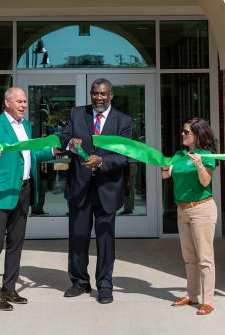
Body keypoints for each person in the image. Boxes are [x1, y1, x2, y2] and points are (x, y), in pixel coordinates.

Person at [0, 87, 59, 311]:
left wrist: (53, 150)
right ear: (7, 103)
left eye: (25, 102)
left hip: (24, 189)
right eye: (19, 101)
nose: (23, 105)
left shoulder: (26, 125)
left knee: (16, 243)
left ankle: (9, 288)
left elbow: (31, 153)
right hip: (2, 191)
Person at [58, 77, 132, 304]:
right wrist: (70, 143)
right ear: (90, 94)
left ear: (111, 96)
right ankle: (79, 282)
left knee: (105, 240)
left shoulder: (123, 121)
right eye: (95, 94)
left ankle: (105, 285)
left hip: (107, 189)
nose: (98, 98)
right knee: (77, 238)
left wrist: (101, 161)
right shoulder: (77, 113)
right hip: (80, 187)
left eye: (103, 94)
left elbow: (125, 155)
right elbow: (62, 137)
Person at [162, 118, 219, 316]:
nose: (183, 135)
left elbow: (205, 182)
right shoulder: (179, 155)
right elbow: (165, 175)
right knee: (189, 258)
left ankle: (208, 301)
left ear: (198, 135)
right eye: (183, 131)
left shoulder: (207, 155)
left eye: (187, 132)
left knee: (205, 258)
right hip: (182, 209)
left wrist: (200, 165)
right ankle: (192, 296)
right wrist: (161, 163)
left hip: (201, 209)